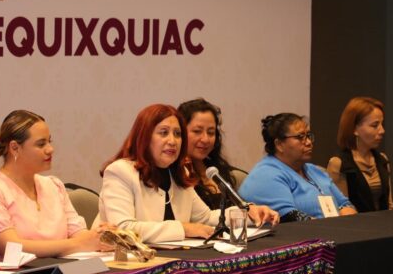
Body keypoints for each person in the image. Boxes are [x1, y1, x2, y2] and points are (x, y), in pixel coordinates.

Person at [98, 104, 279, 244]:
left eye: (177, 134)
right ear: (144, 137)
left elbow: (206, 218)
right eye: (163, 133)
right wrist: (184, 229)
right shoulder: (120, 171)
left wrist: (248, 213)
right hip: (124, 265)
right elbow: (122, 229)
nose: (173, 141)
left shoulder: (178, 173)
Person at [0, 110, 111, 261]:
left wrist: (101, 237)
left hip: (55, 271)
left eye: (49, 141)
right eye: (41, 144)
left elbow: (79, 235)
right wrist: (78, 244)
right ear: (15, 148)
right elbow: (12, 247)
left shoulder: (54, 186)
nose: (50, 149)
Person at [240, 113, 356, 222]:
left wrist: (348, 221)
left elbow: (345, 204)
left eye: (308, 136)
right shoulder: (266, 175)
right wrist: (335, 229)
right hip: (304, 235)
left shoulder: (315, 171)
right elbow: (291, 219)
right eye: (300, 137)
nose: (309, 142)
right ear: (279, 144)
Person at [327, 97, 393, 212]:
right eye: (375, 125)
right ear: (354, 129)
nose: (382, 130)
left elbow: (389, 204)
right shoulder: (339, 164)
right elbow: (342, 209)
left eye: (382, 124)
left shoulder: (382, 160)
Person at [177, 98, 238, 209]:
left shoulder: (216, 170)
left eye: (210, 132)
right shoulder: (176, 175)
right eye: (197, 131)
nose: (205, 139)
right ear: (180, 132)